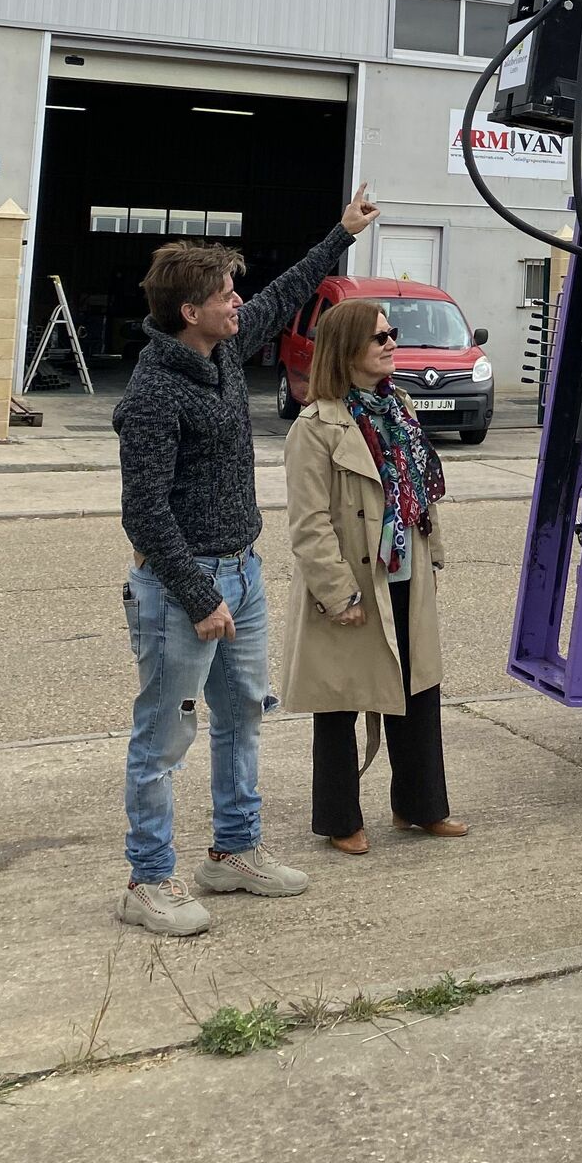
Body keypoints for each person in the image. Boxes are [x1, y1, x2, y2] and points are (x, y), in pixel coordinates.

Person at [114, 185, 381, 935]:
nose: (239, 302)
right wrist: (201, 596)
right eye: (225, 295)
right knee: (165, 739)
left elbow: (290, 288)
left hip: (244, 571)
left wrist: (342, 233)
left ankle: (232, 853)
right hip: (182, 590)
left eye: (234, 292)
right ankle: (147, 878)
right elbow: (144, 510)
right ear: (188, 311)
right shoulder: (154, 391)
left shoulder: (226, 350)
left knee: (242, 721)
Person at [282, 298, 465, 854]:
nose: (390, 343)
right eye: (379, 337)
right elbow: (309, 524)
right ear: (347, 350)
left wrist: (432, 552)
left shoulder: (401, 408)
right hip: (352, 585)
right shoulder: (315, 428)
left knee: (418, 689)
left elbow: (418, 489)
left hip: (406, 577)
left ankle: (421, 807)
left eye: (392, 334)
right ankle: (340, 821)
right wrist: (337, 594)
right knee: (339, 701)